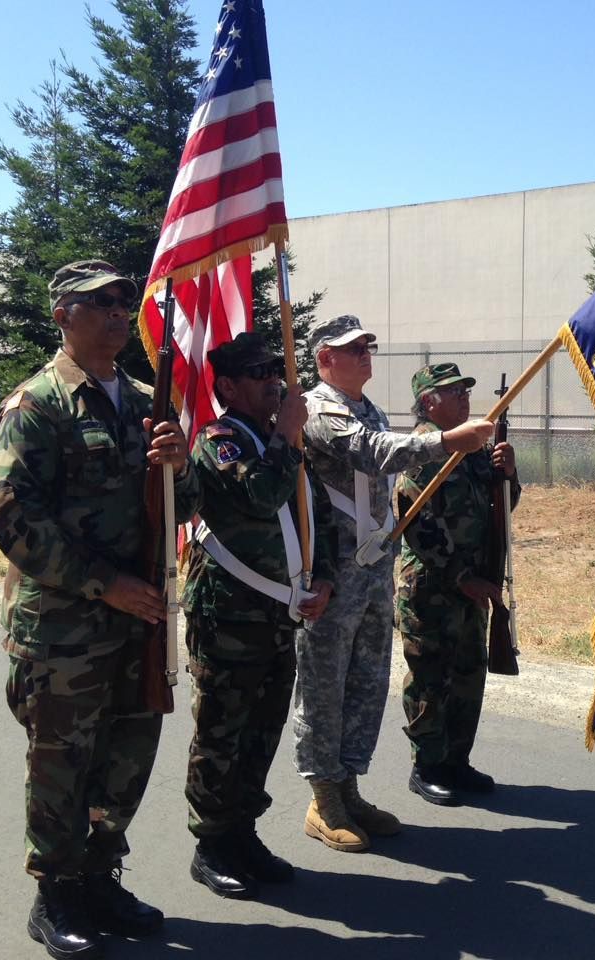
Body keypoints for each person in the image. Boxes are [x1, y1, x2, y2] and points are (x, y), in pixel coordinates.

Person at [0, 260, 200, 960]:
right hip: (66, 631)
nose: (115, 312)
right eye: (98, 302)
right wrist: (103, 584)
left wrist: (180, 466)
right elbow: (7, 512)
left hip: (137, 622)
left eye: (122, 301)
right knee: (62, 767)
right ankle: (56, 894)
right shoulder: (38, 405)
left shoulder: (144, 401)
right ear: (62, 316)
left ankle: (100, 876)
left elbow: (182, 512)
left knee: (126, 760)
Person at [293, 314, 494, 853]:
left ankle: (349, 787)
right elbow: (370, 450)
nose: (364, 354)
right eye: (351, 348)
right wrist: (446, 441)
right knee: (324, 686)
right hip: (331, 571)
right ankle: (323, 798)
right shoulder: (318, 409)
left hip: (373, 568)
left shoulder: (370, 408)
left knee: (365, 684)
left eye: (367, 346)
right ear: (323, 359)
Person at [181, 332, 337, 899]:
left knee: (262, 729)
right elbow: (261, 496)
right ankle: (212, 843)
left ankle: (243, 833)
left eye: (277, 370)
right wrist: (289, 436)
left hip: (278, 614)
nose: (276, 380)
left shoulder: (278, 439)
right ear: (227, 385)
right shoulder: (220, 440)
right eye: (259, 373)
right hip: (229, 616)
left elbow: (316, 515)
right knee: (222, 732)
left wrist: (325, 579)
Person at [396, 363, 521, 805]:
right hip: (432, 586)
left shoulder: (472, 448)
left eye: (466, 390)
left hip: (475, 585)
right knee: (432, 678)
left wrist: (508, 474)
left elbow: (499, 508)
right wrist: (460, 576)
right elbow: (415, 523)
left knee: (468, 675)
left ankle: (456, 760)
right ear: (429, 400)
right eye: (454, 392)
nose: (465, 397)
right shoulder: (422, 450)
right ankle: (427, 765)